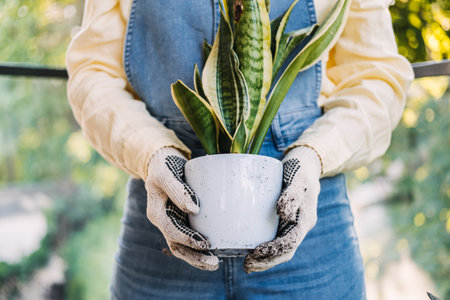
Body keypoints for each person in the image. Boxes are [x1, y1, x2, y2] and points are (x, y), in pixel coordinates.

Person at [66, 0, 413, 299]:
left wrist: (313, 154)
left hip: (304, 213)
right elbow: (93, 72)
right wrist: (152, 152)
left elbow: (375, 76)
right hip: (163, 209)